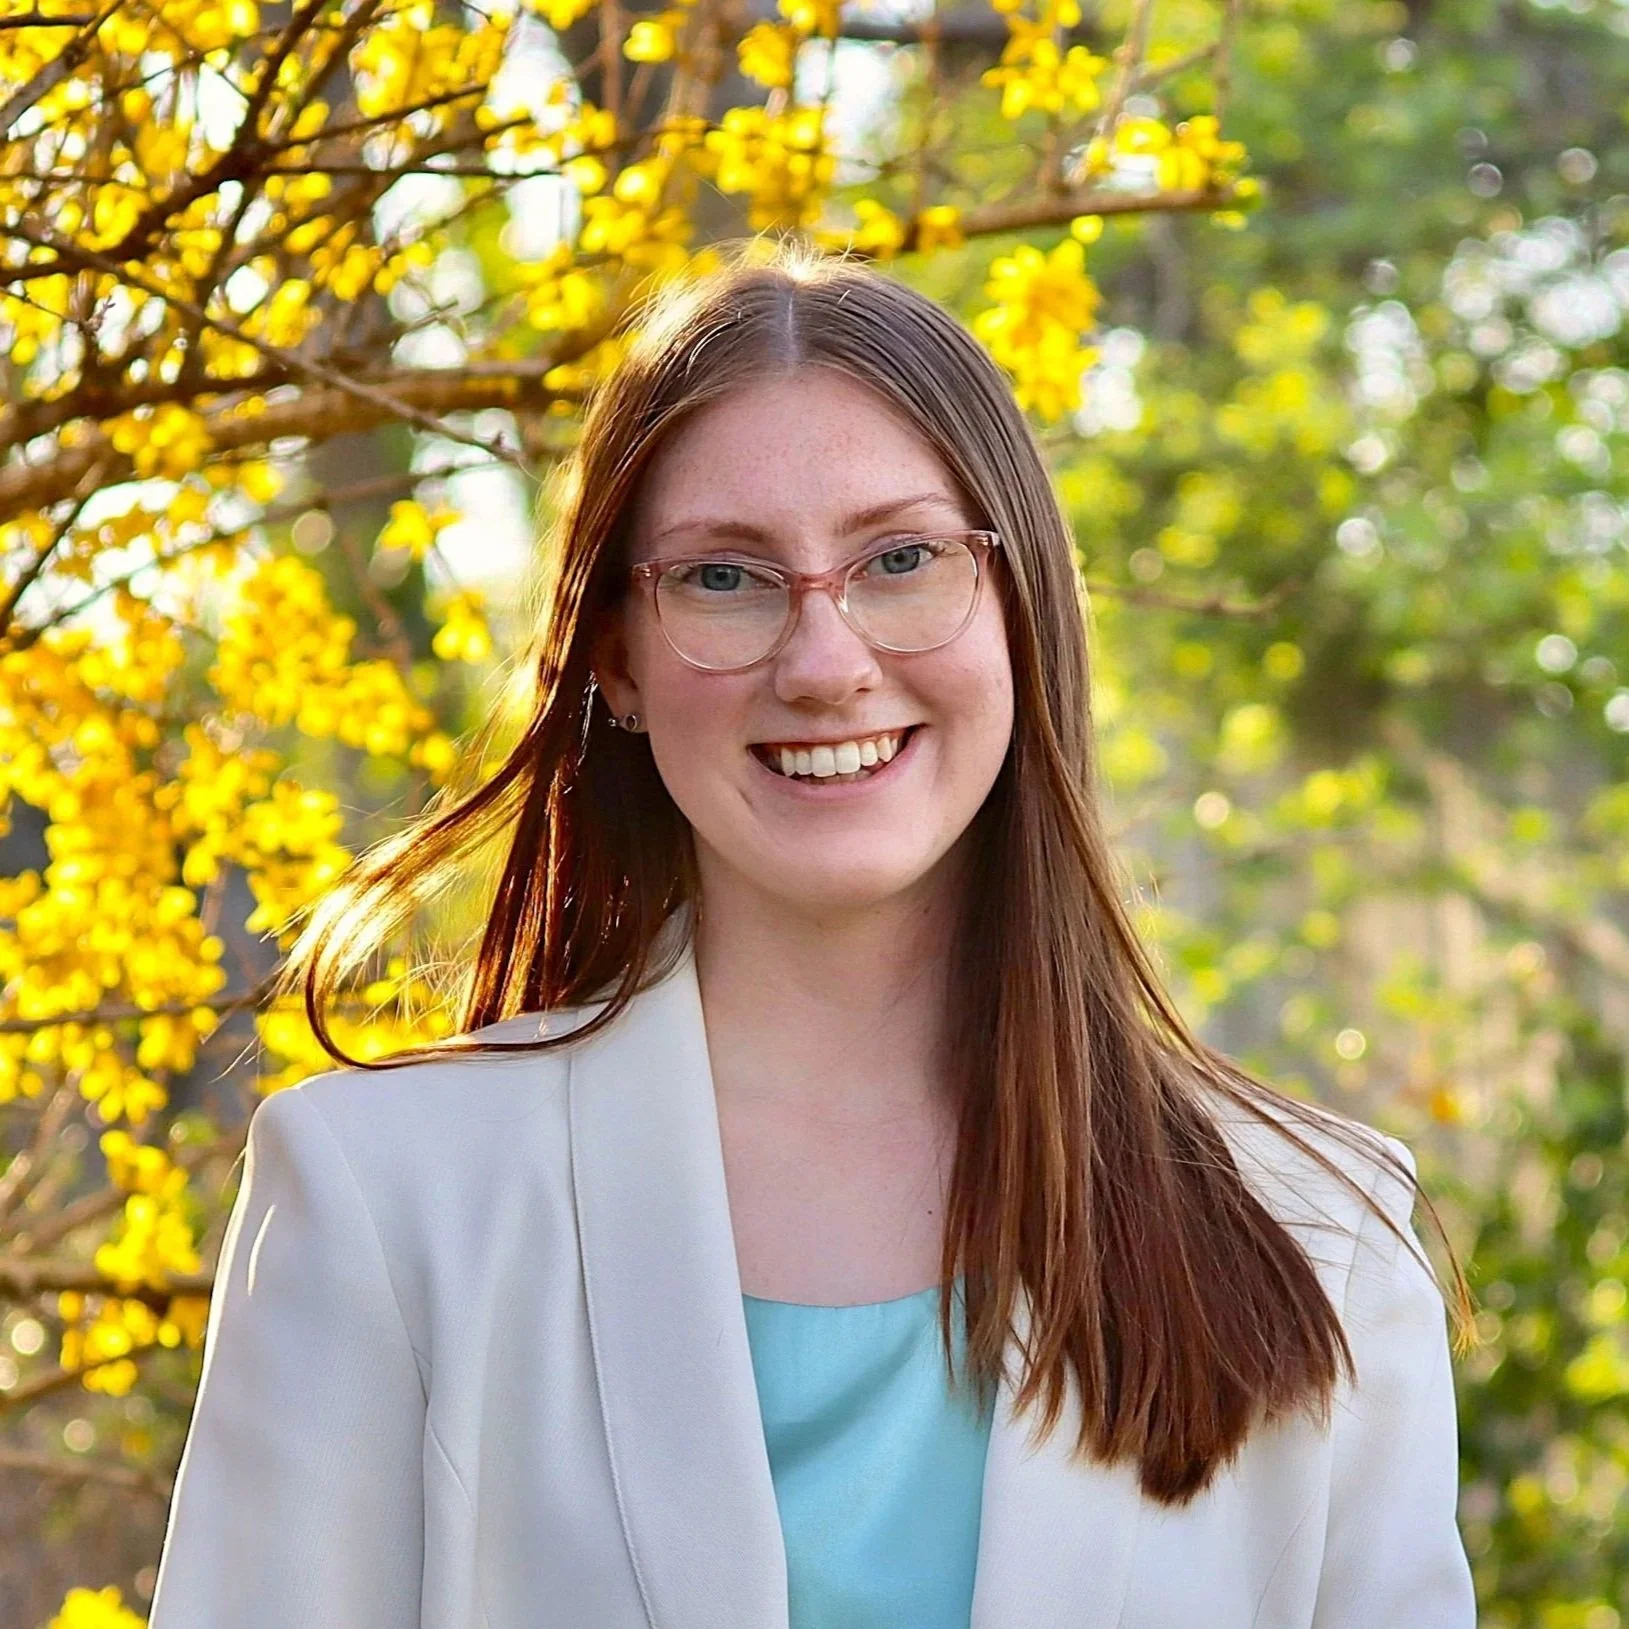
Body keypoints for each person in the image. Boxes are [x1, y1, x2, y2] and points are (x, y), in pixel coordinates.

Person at [147, 237, 1478, 1629]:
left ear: (1023, 612)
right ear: (617, 657)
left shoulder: (1318, 1234)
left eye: (901, 559)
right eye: (725, 578)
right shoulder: (388, 1198)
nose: (827, 664)